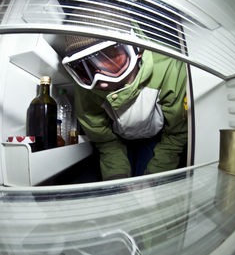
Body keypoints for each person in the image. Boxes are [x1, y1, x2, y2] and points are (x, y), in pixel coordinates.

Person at [62, 35, 188, 181]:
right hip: (117, 141)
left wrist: (154, 178)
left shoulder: (169, 67)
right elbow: (104, 140)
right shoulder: (86, 88)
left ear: (137, 49)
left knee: (150, 188)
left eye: (112, 59)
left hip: (159, 138)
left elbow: (176, 134)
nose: (102, 83)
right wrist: (116, 176)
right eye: (86, 68)